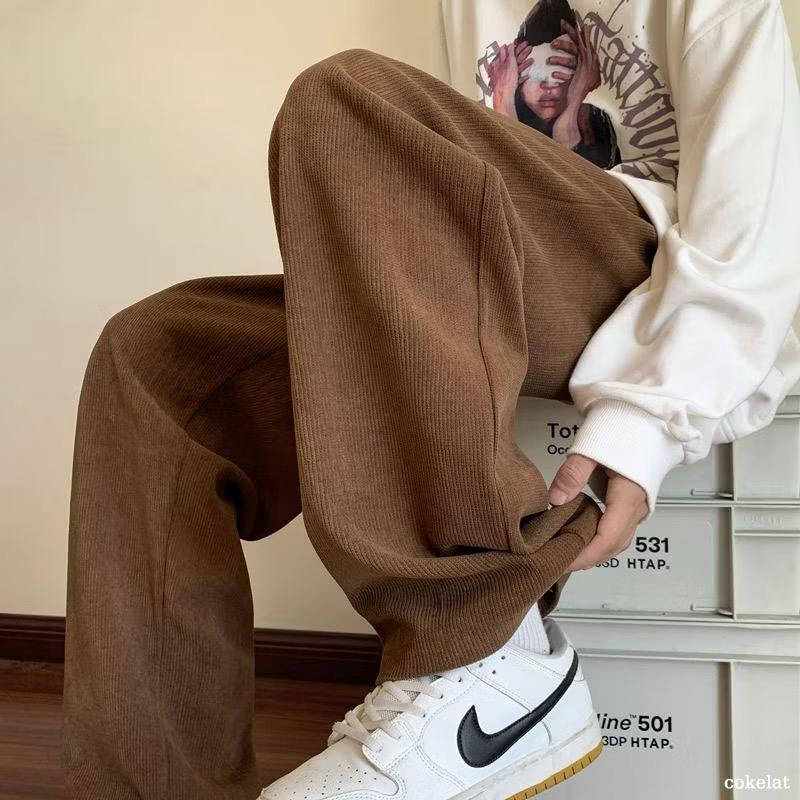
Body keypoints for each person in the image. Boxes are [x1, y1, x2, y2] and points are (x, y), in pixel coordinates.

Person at [61, 0, 800, 798]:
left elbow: (759, 233)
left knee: (349, 96)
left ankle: (482, 654)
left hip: (657, 276)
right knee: (160, 357)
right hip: (514, 273)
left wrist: (650, 416)